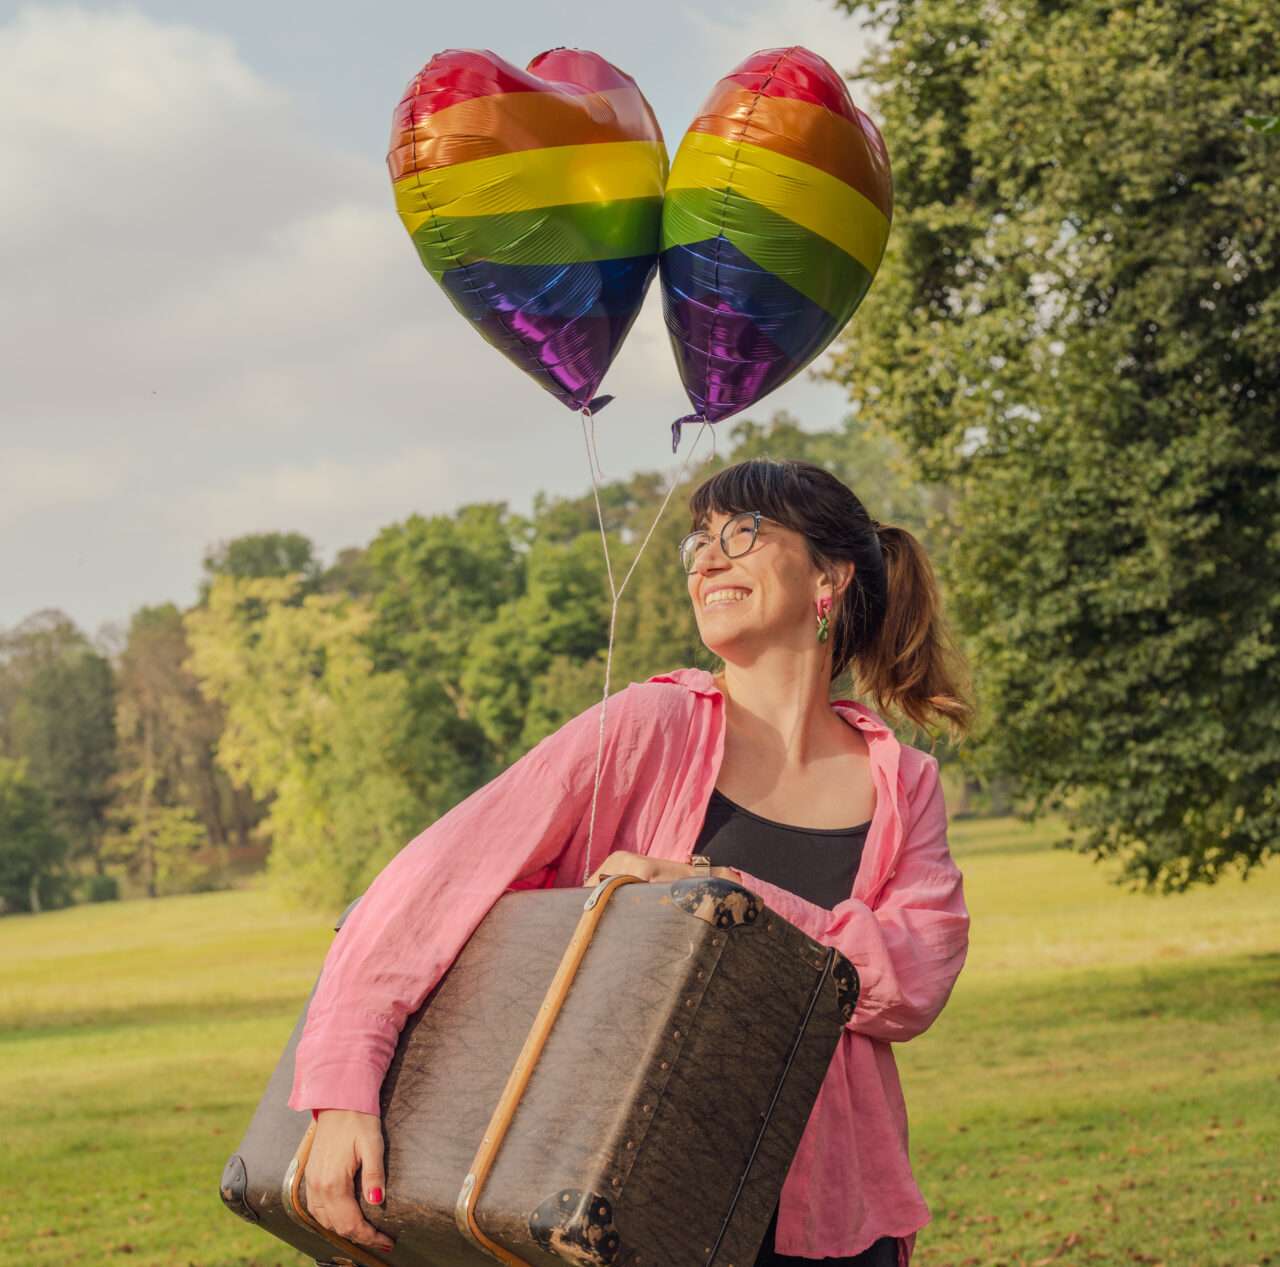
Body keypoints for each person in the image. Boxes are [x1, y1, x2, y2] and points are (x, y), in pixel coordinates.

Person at [287, 457, 973, 1266]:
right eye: (697, 543)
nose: (707, 559)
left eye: (743, 533)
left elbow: (911, 984)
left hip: (837, 1222)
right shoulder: (648, 726)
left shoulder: (902, 782)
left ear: (831, 574)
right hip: (634, 1203)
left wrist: (722, 901)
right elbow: (429, 886)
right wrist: (341, 1087)